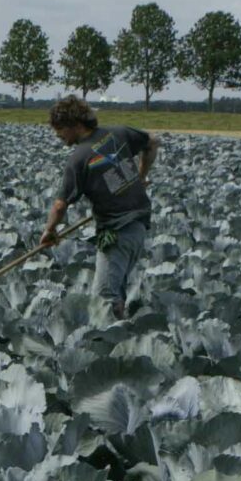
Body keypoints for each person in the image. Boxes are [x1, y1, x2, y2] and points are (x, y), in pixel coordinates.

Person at [39, 95, 157, 318]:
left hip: (117, 232)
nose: (58, 135)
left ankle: (111, 345)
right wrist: (141, 176)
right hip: (139, 227)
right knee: (116, 288)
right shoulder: (119, 133)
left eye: (60, 129)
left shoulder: (79, 158)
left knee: (103, 300)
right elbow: (152, 142)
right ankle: (121, 337)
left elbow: (59, 204)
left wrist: (50, 231)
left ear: (75, 124)